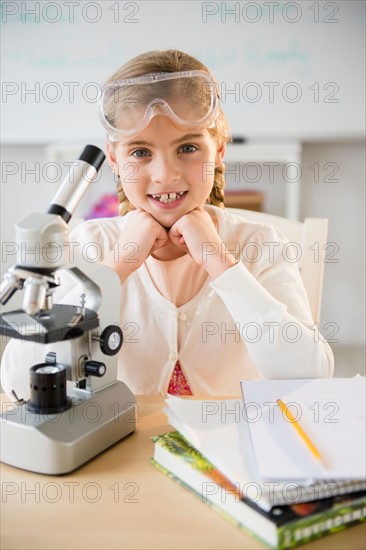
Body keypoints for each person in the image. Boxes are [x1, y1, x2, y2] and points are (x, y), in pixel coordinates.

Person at [1, 49, 333, 398]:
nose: (165, 175)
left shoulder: (260, 245)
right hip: (122, 446)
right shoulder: (90, 247)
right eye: (140, 152)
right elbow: (17, 384)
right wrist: (116, 268)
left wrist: (220, 263)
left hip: (232, 444)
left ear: (219, 150)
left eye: (188, 148)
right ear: (113, 158)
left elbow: (310, 375)